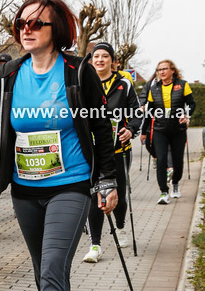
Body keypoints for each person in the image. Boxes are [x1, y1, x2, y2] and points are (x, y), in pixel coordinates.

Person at [0, 0, 117, 291]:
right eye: (22, 23)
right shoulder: (10, 74)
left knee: (54, 265)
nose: (27, 29)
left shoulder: (77, 71)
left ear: (57, 30)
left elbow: (101, 128)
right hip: (24, 189)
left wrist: (107, 180)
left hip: (71, 185)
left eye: (37, 24)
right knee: (42, 269)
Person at [82, 42, 142, 261]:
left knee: (118, 194)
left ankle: (120, 226)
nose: (100, 60)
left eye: (105, 56)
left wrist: (131, 129)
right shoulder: (83, 83)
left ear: (113, 61)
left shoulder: (124, 83)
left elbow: (137, 113)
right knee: (94, 194)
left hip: (118, 149)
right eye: (96, 56)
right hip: (91, 150)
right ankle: (95, 245)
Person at [141, 59, 195, 203]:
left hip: (178, 129)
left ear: (172, 70)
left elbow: (191, 103)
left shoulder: (182, 85)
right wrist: (144, 132)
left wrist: (186, 114)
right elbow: (149, 112)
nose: (162, 72)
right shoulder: (154, 88)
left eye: (165, 69)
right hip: (160, 130)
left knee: (177, 162)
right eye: (159, 70)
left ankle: (175, 182)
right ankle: (163, 192)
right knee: (161, 160)